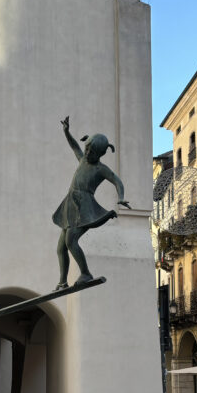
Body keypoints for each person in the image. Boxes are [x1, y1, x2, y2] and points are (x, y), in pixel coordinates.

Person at [52, 116, 130, 289]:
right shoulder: (82, 160)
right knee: (60, 248)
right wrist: (66, 132)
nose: (87, 154)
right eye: (87, 150)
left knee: (70, 241)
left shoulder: (100, 169)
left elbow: (117, 181)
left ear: (100, 154)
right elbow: (74, 146)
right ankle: (63, 281)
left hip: (85, 208)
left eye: (92, 153)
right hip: (70, 206)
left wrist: (121, 197)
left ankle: (85, 273)